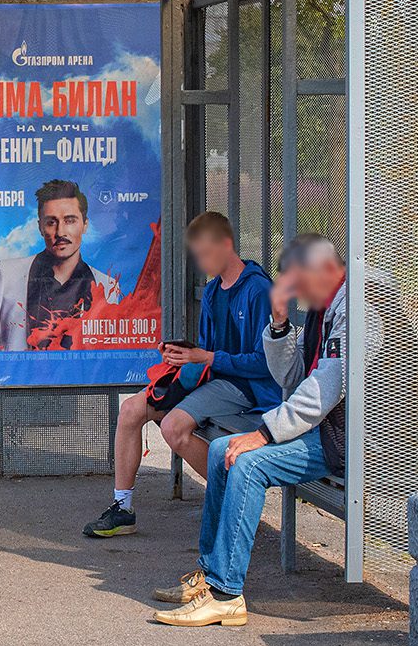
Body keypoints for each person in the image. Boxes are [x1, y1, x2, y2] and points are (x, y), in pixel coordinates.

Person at [153, 235, 373, 626]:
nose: (295, 293)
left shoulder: (360, 306)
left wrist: (266, 434)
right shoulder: (328, 302)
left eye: (297, 284)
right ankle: (209, 574)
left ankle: (225, 594)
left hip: (358, 440)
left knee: (248, 463)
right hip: (330, 429)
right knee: (222, 449)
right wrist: (279, 322)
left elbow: (326, 388)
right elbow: (288, 375)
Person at [83, 211, 281, 538]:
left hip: (248, 389)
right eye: (198, 256)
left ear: (227, 244)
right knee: (131, 410)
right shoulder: (215, 290)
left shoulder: (259, 290)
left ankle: (232, 507)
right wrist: (182, 356)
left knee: (174, 427)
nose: (202, 263)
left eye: (206, 254)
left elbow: (265, 364)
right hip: (213, 379)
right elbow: (207, 352)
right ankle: (123, 508)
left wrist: (205, 357)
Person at [0, 178, 120, 352]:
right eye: (51, 222)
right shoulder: (8, 273)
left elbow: (109, 351)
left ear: (85, 225)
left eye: (70, 220)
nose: (60, 232)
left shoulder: (108, 286)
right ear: (40, 227)